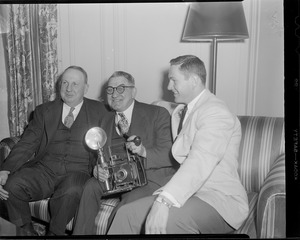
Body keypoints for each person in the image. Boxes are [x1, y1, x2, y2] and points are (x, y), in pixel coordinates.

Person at [107, 55, 249, 235]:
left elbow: (201, 160)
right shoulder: (182, 110)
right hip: (191, 194)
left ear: (195, 80)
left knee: (168, 222)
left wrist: (164, 201)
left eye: (174, 80)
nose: (168, 87)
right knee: (125, 214)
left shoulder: (216, 112)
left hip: (218, 199)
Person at [0, 66, 108, 236]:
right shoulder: (44, 111)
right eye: (65, 82)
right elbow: (27, 143)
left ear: (85, 88)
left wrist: (100, 167)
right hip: (44, 170)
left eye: (75, 84)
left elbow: (107, 145)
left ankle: (54, 234)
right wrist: (6, 169)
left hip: (78, 171)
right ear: (59, 85)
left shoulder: (100, 111)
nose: (69, 89)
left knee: (71, 191)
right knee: (12, 185)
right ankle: (25, 231)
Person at [72, 71, 177, 235]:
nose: (114, 94)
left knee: (126, 206)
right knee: (90, 186)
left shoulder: (157, 113)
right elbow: (96, 156)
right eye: (110, 90)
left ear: (133, 91)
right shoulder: (104, 119)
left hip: (149, 179)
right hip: (117, 177)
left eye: (121, 88)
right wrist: (96, 169)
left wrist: (143, 151)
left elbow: (169, 155)